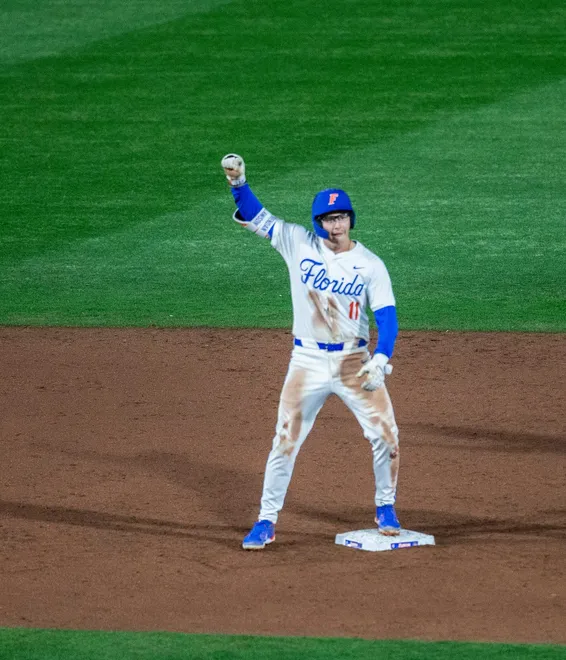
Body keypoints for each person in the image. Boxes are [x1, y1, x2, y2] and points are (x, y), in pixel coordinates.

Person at [221, 154, 401, 550]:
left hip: (355, 361)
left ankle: (385, 507)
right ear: (318, 222)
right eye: (328, 218)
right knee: (285, 440)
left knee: (387, 436)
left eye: (341, 217)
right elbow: (257, 214)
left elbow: (388, 318)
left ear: (351, 219)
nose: (335, 224)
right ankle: (266, 520)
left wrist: (381, 359)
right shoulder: (296, 242)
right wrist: (238, 183)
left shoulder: (370, 265)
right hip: (307, 361)